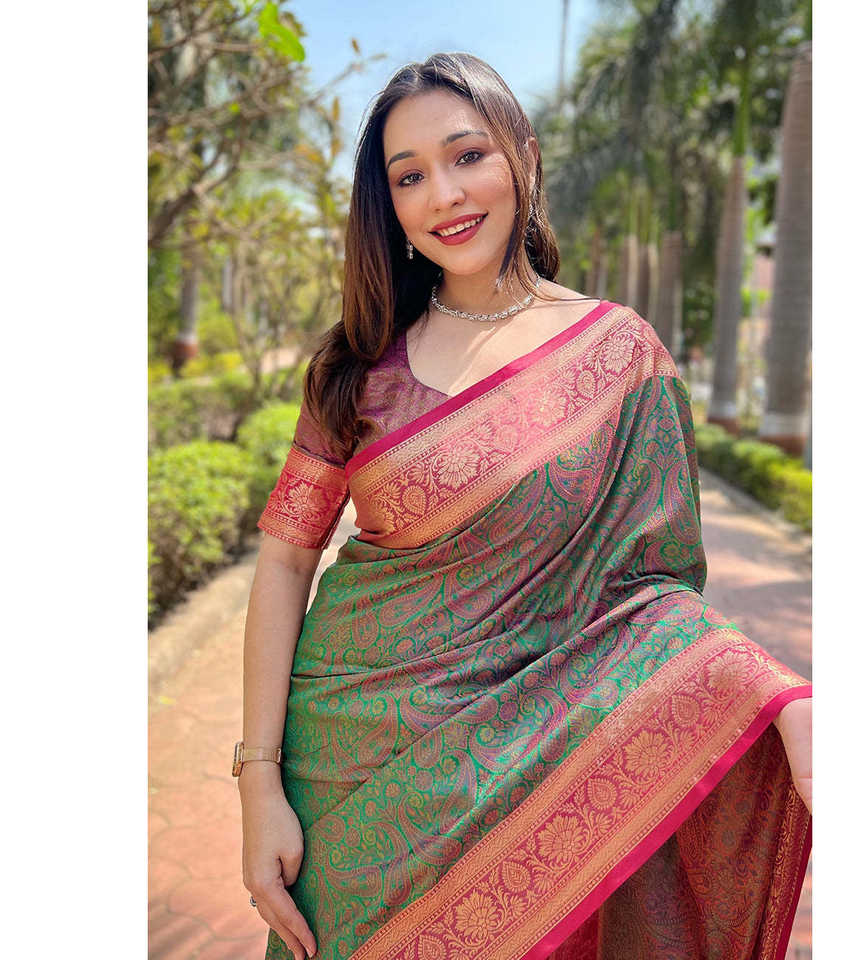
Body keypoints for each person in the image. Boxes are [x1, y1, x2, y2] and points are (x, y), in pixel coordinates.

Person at [236, 52, 812, 960]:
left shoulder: (622, 358)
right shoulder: (355, 365)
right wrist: (259, 784)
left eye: (468, 156)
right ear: (388, 204)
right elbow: (283, 560)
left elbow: (654, 596)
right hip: (346, 773)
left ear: (525, 158)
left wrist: (766, 693)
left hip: (537, 769)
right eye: (409, 176)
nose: (444, 195)